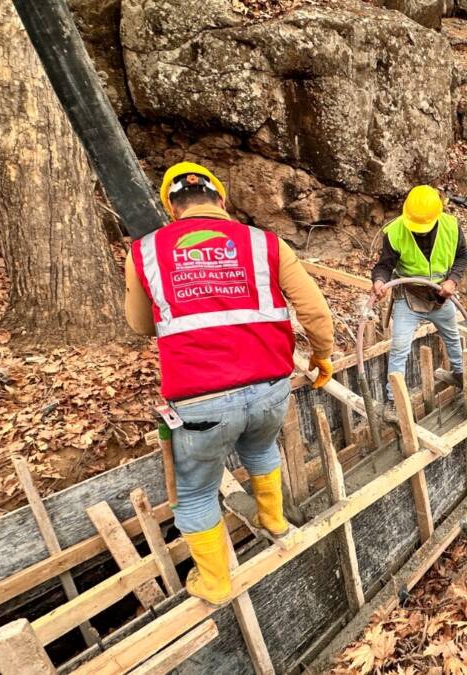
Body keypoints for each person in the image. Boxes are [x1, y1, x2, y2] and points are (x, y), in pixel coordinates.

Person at [124, 161, 335, 604]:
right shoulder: (265, 243)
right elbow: (315, 311)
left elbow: (140, 323)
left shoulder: (145, 252)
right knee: (260, 448)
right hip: (269, 389)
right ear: (221, 200)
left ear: (172, 207)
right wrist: (322, 357)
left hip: (200, 401)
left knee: (196, 489)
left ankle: (216, 583)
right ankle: (274, 521)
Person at [371, 185, 467, 421]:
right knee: (399, 347)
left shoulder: (451, 227)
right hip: (410, 296)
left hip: (440, 295)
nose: (420, 232)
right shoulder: (395, 231)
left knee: (453, 337)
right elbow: (384, 265)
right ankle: (393, 401)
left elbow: (463, 256)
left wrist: (453, 281)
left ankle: (460, 374)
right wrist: (379, 281)